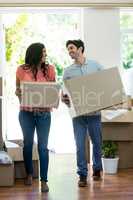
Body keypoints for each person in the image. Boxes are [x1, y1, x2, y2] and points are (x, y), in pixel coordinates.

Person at [62, 39, 103, 187]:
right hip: (78, 115)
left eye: (72, 48)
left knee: (97, 143)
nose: (70, 51)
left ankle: (97, 169)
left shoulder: (95, 65)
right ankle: (82, 175)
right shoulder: (68, 71)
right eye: (68, 49)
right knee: (80, 145)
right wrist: (64, 99)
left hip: (94, 113)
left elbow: (104, 84)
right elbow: (64, 93)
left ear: (80, 49)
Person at [15, 43, 56, 192]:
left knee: (43, 147)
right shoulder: (21, 70)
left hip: (44, 114)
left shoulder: (50, 69)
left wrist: (54, 98)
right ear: (35, 53)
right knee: (27, 145)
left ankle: (44, 180)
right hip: (26, 113)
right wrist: (19, 93)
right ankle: (29, 174)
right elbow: (17, 89)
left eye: (46, 52)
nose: (45, 55)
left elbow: (52, 91)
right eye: (43, 52)